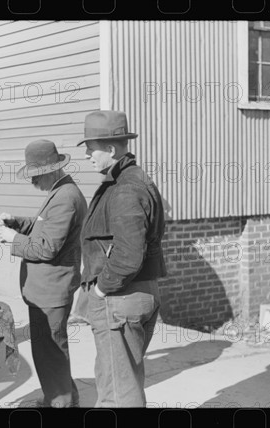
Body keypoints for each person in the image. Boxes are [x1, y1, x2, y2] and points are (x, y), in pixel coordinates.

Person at [77, 111, 167, 407]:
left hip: (120, 296)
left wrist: (101, 290)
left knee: (119, 394)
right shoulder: (130, 179)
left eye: (92, 148)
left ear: (112, 150)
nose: (88, 154)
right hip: (136, 293)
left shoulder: (126, 188)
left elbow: (129, 254)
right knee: (116, 378)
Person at [0, 139, 87, 408]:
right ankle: (63, 396)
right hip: (48, 289)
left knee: (50, 352)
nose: (32, 182)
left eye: (35, 176)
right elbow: (42, 227)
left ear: (51, 170)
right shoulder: (61, 192)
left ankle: (59, 403)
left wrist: (12, 238)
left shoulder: (65, 198)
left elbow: (46, 248)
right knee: (52, 350)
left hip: (51, 291)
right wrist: (17, 222)